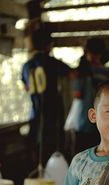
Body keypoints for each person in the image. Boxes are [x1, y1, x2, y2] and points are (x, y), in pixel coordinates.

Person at [21, 21, 73, 166]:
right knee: (54, 151)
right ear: (48, 45)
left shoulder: (27, 66)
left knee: (37, 150)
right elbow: (73, 73)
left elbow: (26, 87)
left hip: (35, 112)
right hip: (53, 113)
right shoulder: (52, 62)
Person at [72, 37, 109, 155]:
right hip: (102, 122)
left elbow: (77, 94)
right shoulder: (107, 72)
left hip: (84, 121)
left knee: (82, 158)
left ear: (88, 51)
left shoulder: (83, 71)